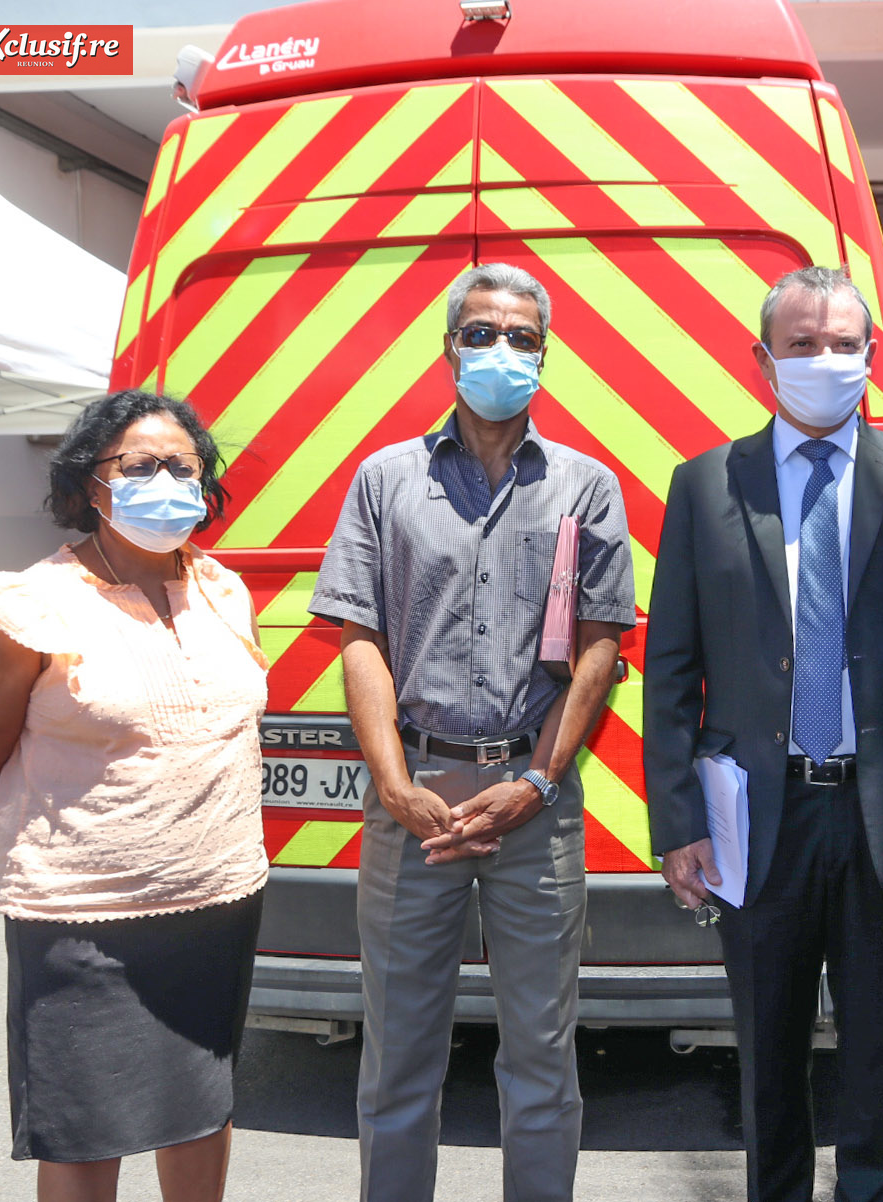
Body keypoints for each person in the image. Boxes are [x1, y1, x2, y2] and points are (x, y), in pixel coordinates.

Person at [644, 266, 883, 1202]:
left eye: (844, 344)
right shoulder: (705, 485)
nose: (825, 361)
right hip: (757, 821)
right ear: (762, 360)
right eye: (802, 345)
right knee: (766, 1058)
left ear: (871, 355)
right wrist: (677, 819)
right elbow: (672, 670)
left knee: (881, 1063)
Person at [310, 262, 635, 1202]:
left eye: (522, 337)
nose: (502, 350)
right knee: (399, 1059)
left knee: (541, 1059)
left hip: (533, 803)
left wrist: (538, 780)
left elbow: (603, 646)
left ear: (546, 354)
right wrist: (395, 785)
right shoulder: (386, 478)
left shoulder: (586, 484)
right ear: (448, 347)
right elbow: (360, 638)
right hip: (415, 799)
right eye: (482, 332)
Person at [0, 391, 268, 1202]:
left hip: (217, 902)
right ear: (92, 485)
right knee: (86, 1135)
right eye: (140, 465)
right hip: (83, 918)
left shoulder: (223, 592)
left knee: (201, 1109)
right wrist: (58, 844)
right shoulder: (28, 609)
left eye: (182, 466)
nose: (165, 480)